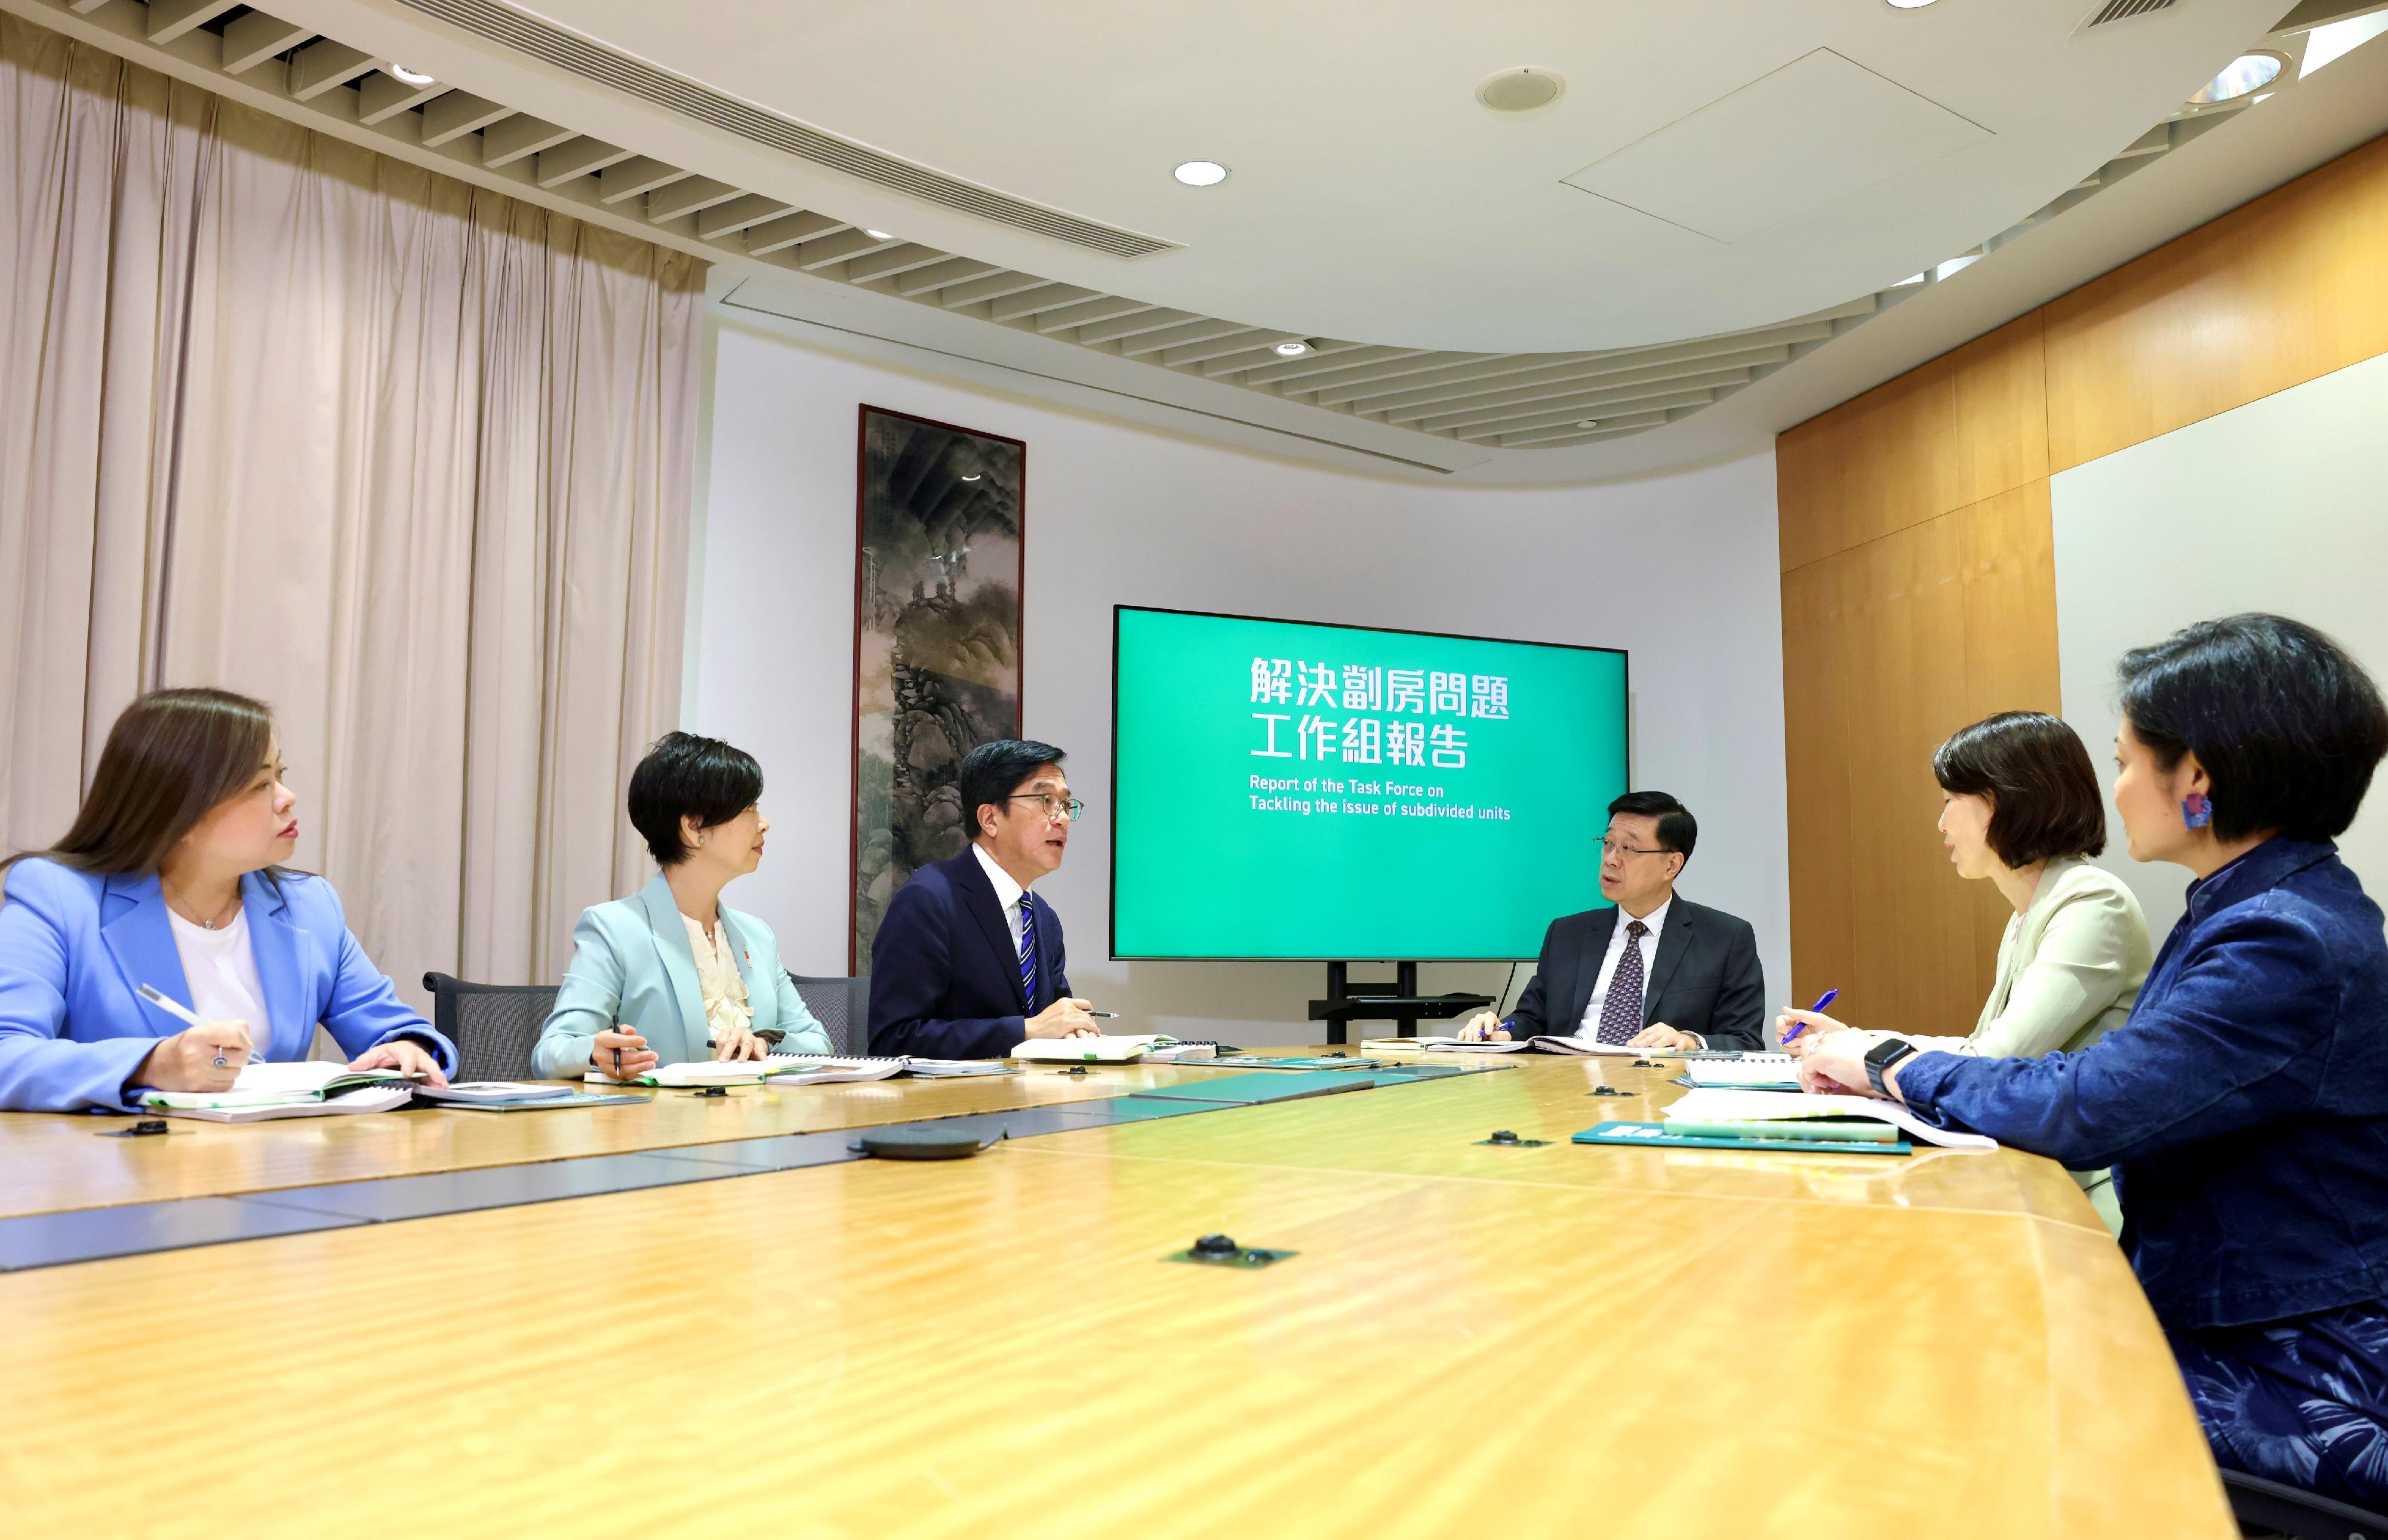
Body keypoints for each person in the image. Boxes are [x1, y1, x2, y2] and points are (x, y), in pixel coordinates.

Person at [1799, 615, 2388, 1510]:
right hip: (2240, 1314)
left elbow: (2089, 1104)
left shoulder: (2281, 938)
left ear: (2195, 778)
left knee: (1928, 1383)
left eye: (2123, 760)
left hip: (2299, 1362)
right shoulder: (2255, 908)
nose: (2114, 789)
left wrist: (1888, 1064)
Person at [1777, 712, 2152, 1234]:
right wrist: (1862, 1042)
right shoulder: (2034, 911)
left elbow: (1994, 1061)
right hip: (2032, 1176)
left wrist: (1869, 1056)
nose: (1942, 823)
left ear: (2002, 801)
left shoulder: (2092, 902)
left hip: (2079, 1197)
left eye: (1951, 801)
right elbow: (1982, 1050)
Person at [0, 688, 455, 1113]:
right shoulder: (58, 896)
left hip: (270, 1173)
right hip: (109, 1172)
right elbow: (8, 1053)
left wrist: (408, 1051)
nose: (288, 798)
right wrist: (152, 1065)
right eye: (260, 785)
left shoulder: (307, 906)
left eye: (280, 776)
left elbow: (391, 1027)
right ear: (179, 808)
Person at [534, 732, 830, 1080]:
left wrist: (762, 1043)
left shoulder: (756, 935)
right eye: (749, 808)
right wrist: (597, 1052)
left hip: (758, 1125)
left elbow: (817, 1042)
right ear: (694, 827)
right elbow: (551, 1053)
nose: (764, 823)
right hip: (664, 1127)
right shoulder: (614, 928)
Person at [1460, 790, 1765, 1052]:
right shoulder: (1567, 933)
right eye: (1608, 843)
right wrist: (1502, 1030)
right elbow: (1531, 1018)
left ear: (1672, 864)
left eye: (1629, 848)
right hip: (1563, 1085)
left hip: (1658, 1088)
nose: (1611, 859)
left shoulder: (1725, 938)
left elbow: (1745, 1041)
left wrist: (1689, 1041)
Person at [867, 740, 1099, 1059]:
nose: (1062, 819)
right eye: (1046, 800)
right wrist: (1025, 1031)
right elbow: (894, 1039)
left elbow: (1053, 1021)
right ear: (990, 819)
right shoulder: (930, 899)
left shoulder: (1044, 919)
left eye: (1066, 804)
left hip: (1032, 1100)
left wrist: (1076, 1030)